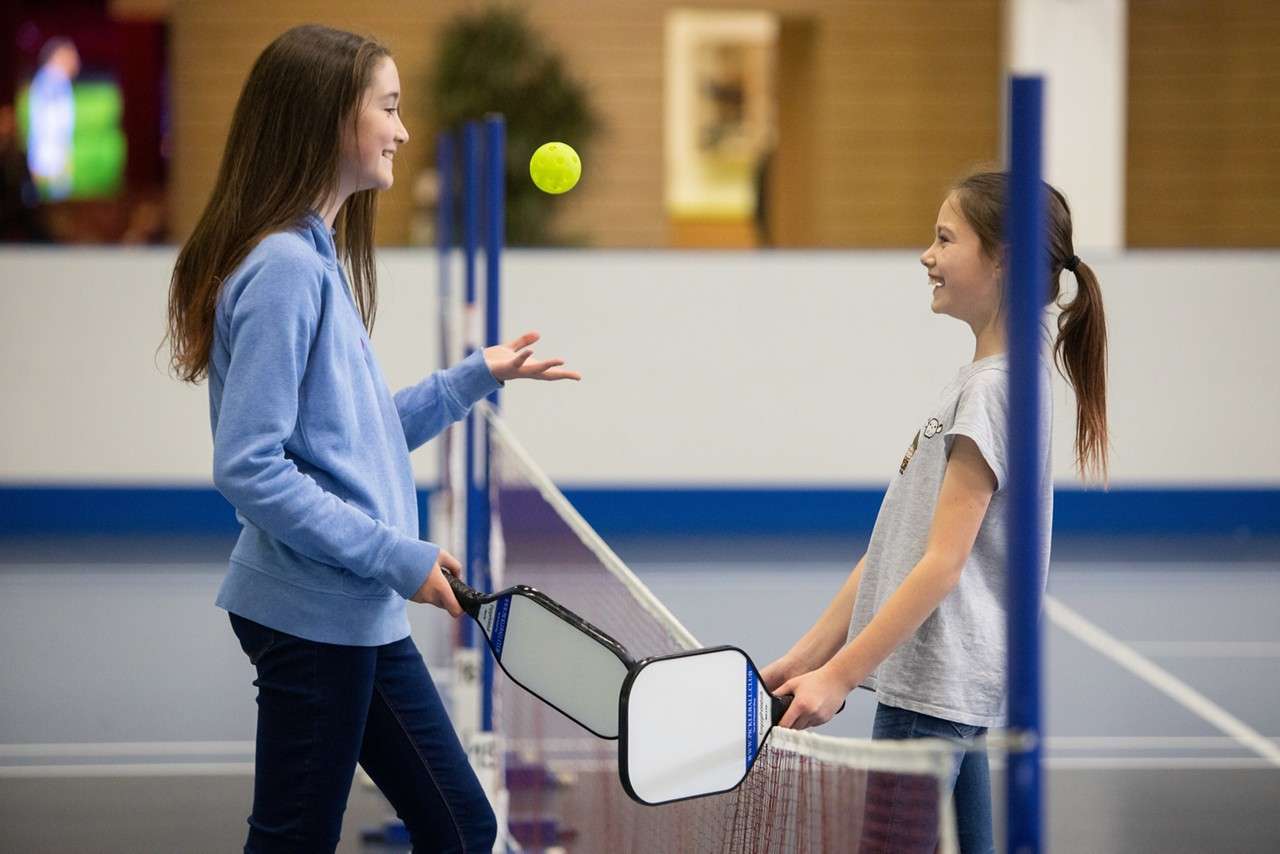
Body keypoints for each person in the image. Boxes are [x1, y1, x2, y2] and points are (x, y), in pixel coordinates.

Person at [165, 25, 579, 853]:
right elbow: (250, 468)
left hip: (355, 610)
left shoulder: (314, 261)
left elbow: (355, 437)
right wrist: (398, 556)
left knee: (461, 826)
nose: (403, 130)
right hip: (315, 612)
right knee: (296, 840)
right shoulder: (284, 268)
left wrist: (472, 377)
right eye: (388, 108)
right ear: (327, 122)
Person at [761, 170, 1108, 853]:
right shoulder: (985, 382)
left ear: (1001, 258)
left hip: (932, 687)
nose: (927, 255)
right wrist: (805, 656)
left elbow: (942, 566)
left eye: (945, 239)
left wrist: (840, 675)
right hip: (948, 686)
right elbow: (898, 544)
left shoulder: (994, 392)